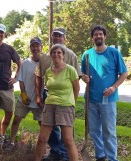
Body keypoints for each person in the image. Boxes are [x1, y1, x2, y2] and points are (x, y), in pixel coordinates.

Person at [81, 25, 128, 161]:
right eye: (95, 34)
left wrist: (113, 87)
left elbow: (124, 73)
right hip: (91, 99)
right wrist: (84, 77)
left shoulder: (113, 53)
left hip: (108, 99)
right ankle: (100, 155)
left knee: (109, 131)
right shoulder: (87, 54)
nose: (98, 36)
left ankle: (112, 158)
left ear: (105, 36)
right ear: (92, 38)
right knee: (94, 130)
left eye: (101, 34)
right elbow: (83, 74)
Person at [35, 27, 82, 161]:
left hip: (65, 105)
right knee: (42, 138)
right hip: (49, 105)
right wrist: (39, 96)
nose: (56, 55)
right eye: (54, 53)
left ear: (63, 55)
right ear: (51, 54)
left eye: (59, 53)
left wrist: (72, 102)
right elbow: (40, 79)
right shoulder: (48, 70)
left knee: (67, 139)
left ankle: (67, 157)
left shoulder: (70, 68)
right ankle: (49, 155)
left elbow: (76, 87)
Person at [5, 37, 43, 150]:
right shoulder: (26, 63)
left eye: (37, 46)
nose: (35, 48)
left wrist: (41, 97)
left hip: (39, 100)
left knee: (42, 124)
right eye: (33, 46)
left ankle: (41, 147)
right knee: (16, 120)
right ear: (30, 48)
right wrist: (23, 94)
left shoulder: (46, 62)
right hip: (25, 99)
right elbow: (21, 80)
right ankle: (11, 142)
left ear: (41, 47)